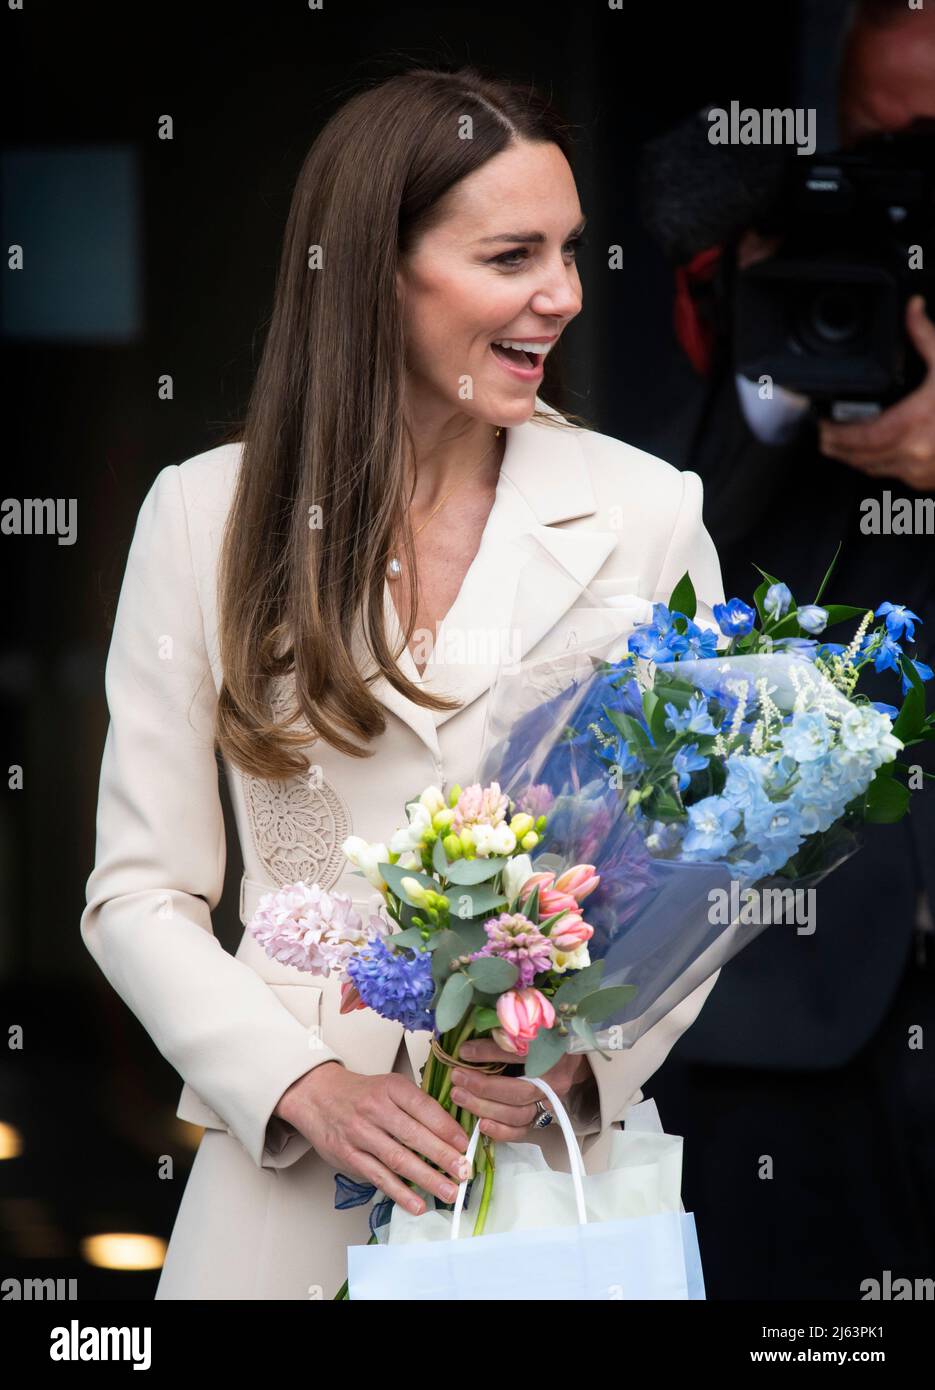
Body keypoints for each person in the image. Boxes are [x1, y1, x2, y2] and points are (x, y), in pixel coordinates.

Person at [80, 65, 726, 1300]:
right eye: (510, 255)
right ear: (374, 268)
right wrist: (300, 1087)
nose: (564, 295)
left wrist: (590, 1060)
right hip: (273, 1203)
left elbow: (701, 873)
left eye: (570, 251)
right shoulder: (201, 514)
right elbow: (139, 893)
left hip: (546, 1178)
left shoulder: (649, 512)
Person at [641, 0, 935, 1298]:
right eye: (881, 143)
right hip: (788, 1000)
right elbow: (686, 569)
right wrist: (784, 328)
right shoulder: (791, 284)